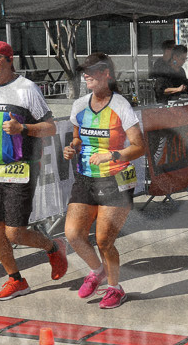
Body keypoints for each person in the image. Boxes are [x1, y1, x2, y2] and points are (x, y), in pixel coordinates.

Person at [0, 40, 68, 301]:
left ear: (10, 60)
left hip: (21, 168)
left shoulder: (27, 89)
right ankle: (16, 280)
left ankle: (53, 246)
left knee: (15, 232)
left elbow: (51, 127)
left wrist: (23, 129)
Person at [62, 53, 146, 309]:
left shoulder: (120, 105)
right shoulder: (80, 105)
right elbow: (78, 137)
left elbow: (139, 146)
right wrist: (72, 148)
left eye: (91, 71)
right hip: (85, 178)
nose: (86, 75)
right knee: (73, 234)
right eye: (84, 72)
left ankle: (115, 289)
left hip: (115, 179)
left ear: (106, 74)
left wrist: (112, 155)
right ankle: (97, 271)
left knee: (104, 241)